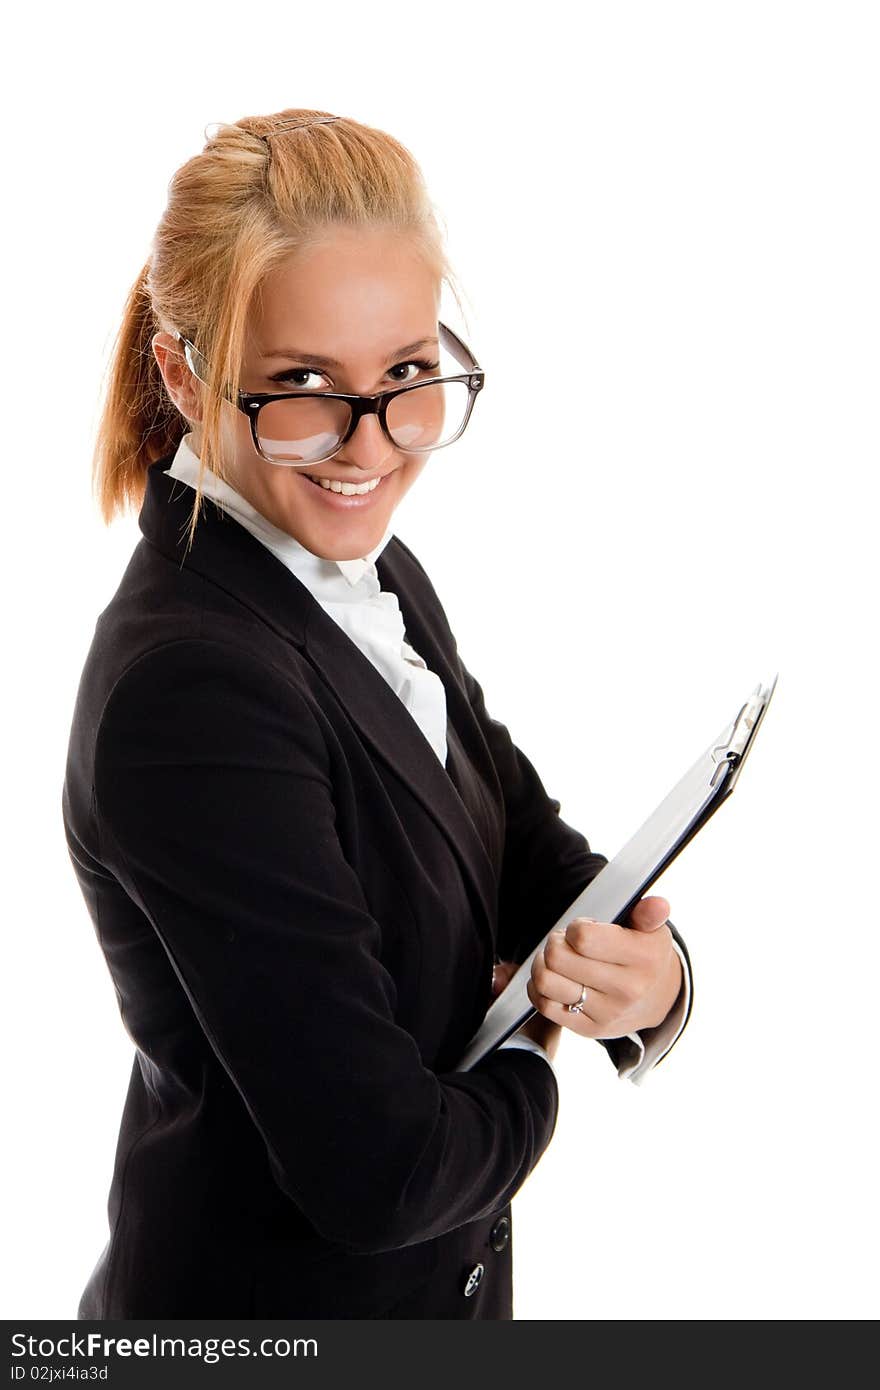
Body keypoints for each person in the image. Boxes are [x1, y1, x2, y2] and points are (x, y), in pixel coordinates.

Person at [61, 108, 693, 1321]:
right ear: (184, 372)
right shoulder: (189, 690)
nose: (374, 449)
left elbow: (512, 833)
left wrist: (648, 981)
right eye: (302, 387)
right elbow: (385, 1171)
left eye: (407, 377)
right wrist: (535, 1042)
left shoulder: (368, 569)